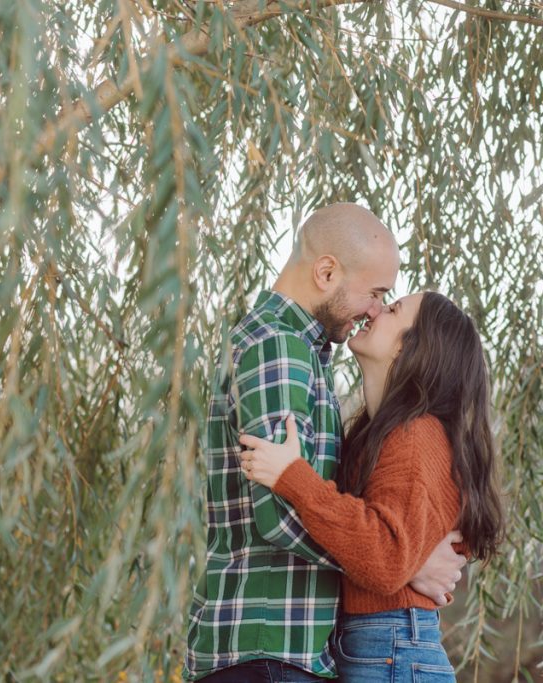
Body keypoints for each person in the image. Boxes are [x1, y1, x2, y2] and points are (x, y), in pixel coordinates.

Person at [183, 204, 467, 683]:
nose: (375, 309)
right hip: (266, 642)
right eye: (376, 293)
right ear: (327, 272)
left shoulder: (307, 356)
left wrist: (391, 557)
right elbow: (279, 509)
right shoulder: (278, 345)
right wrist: (398, 564)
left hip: (285, 649)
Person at [238, 291, 504, 682]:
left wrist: (292, 476)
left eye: (393, 309)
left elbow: (384, 559)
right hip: (382, 646)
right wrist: (411, 564)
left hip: (393, 649)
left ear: (411, 348)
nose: (376, 308)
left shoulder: (417, 437)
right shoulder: (378, 434)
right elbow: (386, 553)